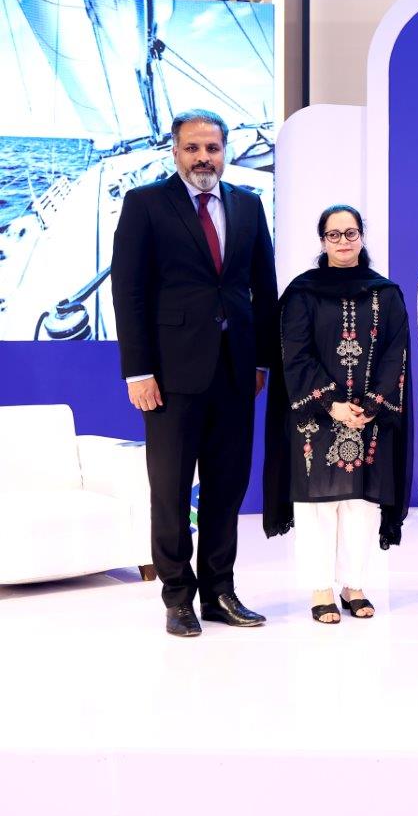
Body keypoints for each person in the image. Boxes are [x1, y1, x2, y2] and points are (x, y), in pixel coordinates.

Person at [111, 108, 279, 637]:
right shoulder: (145, 204)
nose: (203, 158)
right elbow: (129, 292)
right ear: (175, 151)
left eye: (212, 148)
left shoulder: (249, 205)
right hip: (169, 375)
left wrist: (260, 360)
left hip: (235, 371)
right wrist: (138, 371)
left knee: (227, 489)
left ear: (224, 151)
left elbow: (264, 288)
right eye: (192, 148)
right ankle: (177, 597)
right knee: (171, 490)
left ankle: (219, 592)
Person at [263, 205, 411, 623]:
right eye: (334, 234)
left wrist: (371, 404)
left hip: (368, 416)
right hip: (316, 415)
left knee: (361, 502)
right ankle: (320, 588)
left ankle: (354, 584)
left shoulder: (386, 293)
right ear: (322, 240)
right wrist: (332, 404)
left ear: (361, 236)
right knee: (316, 505)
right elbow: (295, 353)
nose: (343, 241)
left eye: (350, 233)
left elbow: (395, 353)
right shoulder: (302, 293)